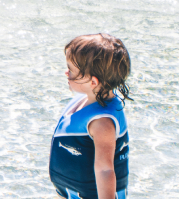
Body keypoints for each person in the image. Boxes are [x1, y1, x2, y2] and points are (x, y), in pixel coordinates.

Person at [51, 34, 131, 199]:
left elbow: (105, 169)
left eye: (71, 71)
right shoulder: (85, 100)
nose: (66, 73)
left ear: (93, 82)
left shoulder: (101, 122)